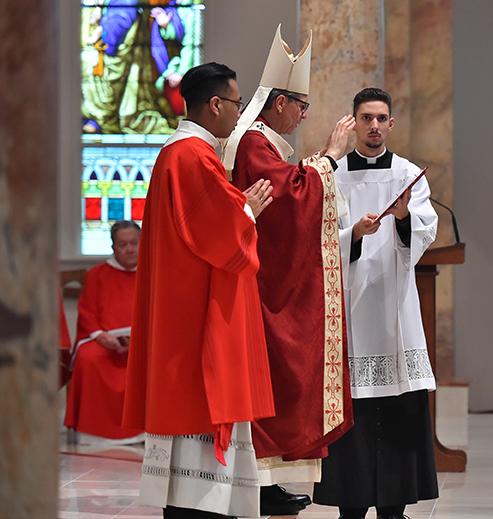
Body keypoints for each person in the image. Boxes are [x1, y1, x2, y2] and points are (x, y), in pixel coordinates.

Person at [222, 26, 378, 517]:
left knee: (274, 383)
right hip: (266, 286)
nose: (304, 114)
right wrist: (330, 156)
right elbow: (289, 199)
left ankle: (267, 483)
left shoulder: (264, 145)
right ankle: (261, 485)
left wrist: (316, 167)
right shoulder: (253, 144)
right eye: (300, 104)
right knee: (271, 381)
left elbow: (290, 188)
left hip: (270, 281)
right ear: (277, 103)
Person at [122, 62, 277, 519]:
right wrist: (245, 210)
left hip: (186, 309)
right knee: (196, 448)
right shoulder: (191, 156)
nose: (239, 111)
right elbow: (216, 234)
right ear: (215, 105)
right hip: (195, 322)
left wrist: (239, 208)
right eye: (236, 102)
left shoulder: (186, 153)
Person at [313, 87, 439, 519]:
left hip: (394, 308)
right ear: (353, 121)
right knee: (355, 412)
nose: (373, 126)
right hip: (349, 311)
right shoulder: (333, 175)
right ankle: (351, 504)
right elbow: (320, 238)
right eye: (365, 118)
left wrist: (403, 218)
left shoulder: (407, 174)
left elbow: (425, 230)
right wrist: (354, 236)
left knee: (397, 404)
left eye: (380, 118)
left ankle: (394, 506)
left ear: (391, 123)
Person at [64, 220, 143, 444]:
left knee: (159, 361)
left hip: (141, 345)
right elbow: (87, 312)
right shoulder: (97, 274)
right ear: (113, 247)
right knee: (89, 359)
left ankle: (145, 431)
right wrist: (101, 336)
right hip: (104, 342)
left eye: (134, 243)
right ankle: (93, 433)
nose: (129, 249)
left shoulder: (153, 273)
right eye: (123, 244)